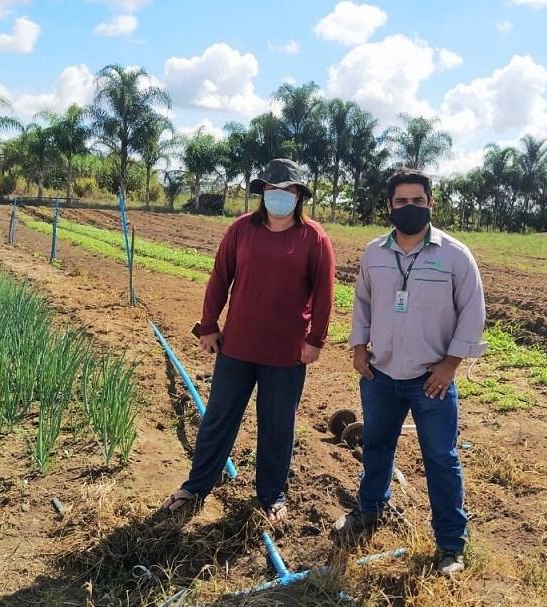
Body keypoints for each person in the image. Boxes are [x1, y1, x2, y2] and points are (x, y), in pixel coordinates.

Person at [161, 158, 335, 523]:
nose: (279, 196)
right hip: (237, 347)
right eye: (272, 190)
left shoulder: (313, 237)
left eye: (287, 190)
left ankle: (272, 495)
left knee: (276, 425)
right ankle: (196, 487)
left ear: (299, 195)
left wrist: (315, 339)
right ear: (262, 193)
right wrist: (208, 324)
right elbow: (220, 277)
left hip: (286, 354)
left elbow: (324, 293)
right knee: (219, 418)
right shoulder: (241, 230)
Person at [333, 168, 486, 576]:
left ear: (430, 204)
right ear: (389, 206)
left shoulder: (455, 255)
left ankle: (451, 544)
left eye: (418, 201)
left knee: (440, 457)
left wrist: (451, 365)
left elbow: (473, 312)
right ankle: (369, 510)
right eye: (401, 202)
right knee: (377, 447)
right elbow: (362, 302)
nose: (409, 208)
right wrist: (358, 347)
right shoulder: (374, 253)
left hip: (431, 381)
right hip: (380, 375)